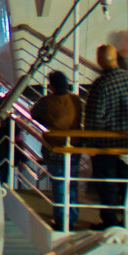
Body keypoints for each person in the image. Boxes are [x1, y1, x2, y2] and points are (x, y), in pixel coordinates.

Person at [82, 45, 128, 228]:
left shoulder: (101, 84)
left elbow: (94, 117)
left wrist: (90, 143)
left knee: (107, 184)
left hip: (105, 145)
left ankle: (110, 222)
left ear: (100, 60)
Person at [29, 71, 83, 230]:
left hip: (54, 148)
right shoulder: (75, 100)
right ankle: (72, 216)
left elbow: (34, 114)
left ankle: (61, 219)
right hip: (74, 147)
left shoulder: (46, 101)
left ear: (51, 85)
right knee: (71, 183)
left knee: (59, 184)